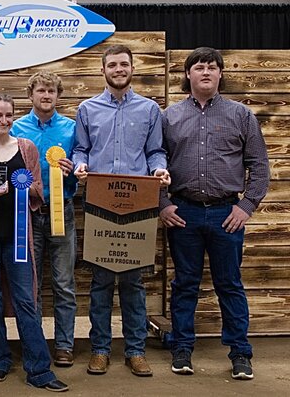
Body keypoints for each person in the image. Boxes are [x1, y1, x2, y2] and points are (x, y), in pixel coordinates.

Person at [160, 47, 269, 380]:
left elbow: (260, 166)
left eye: (212, 67)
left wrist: (246, 206)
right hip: (184, 214)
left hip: (226, 214)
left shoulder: (241, 115)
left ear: (221, 74)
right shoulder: (169, 117)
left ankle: (240, 353)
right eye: (198, 67)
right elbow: (154, 162)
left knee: (230, 284)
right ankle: (182, 349)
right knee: (184, 285)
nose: (205, 72)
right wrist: (163, 204)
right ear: (188, 75)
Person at [0, 93, 68, 392]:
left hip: (19, 236)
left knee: (25, 298)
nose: (3, 121)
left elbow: (39, 190)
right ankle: (0, 359)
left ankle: (39, 369)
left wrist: (25, 187)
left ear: (13, 117)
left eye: (8, 116)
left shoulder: (27, 148)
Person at [72, 45, 170, 377]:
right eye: (112, 64)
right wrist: (81, 165)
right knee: (100, 282)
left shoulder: (149, 109)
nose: (118, 69)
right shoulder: (87, 109)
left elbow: (156, 151)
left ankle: (135, 350)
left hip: (138, 204)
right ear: (103, 70)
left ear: (132, 68)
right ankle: (100, 349)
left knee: (133, 282)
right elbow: (81, 150)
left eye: (124, 64)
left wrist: (159, 170)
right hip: (99, 202)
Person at [11, 71, 78, 367]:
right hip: (27, 212)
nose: (46, 95)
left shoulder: (72, 128)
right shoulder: (16, 127)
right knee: (31, 285)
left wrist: (74, 169)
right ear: (31, 95)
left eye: (51, 91)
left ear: (58, 95)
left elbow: (82, 162)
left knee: (64, 282)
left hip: (62, 209)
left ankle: (64, 345)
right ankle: (35, 345)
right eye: (41, 90)